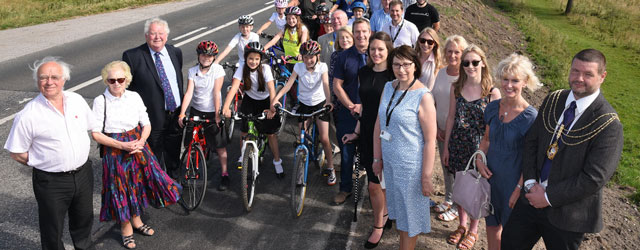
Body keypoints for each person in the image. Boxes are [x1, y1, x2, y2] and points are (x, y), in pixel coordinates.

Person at [501, 49, 623, 250]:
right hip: (531, 199)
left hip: (568, 213)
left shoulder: (608, 124)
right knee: (509, 244)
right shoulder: (554, 99)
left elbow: (594, 178)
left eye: (588, 74)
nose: (579, 79)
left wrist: (548, 197)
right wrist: (530, 183)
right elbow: (532, 142)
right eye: (575, 71)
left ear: (602, 77)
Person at [5, 57, 97, 250]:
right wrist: (43, 162)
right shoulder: (28, 114)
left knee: (83, 222)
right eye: (43, 78)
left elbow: (91, 128)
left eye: (54, 77)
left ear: (64, 79)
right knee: (52, 231)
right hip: (51, 182)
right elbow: (17, 152)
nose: (49, 82)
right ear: (37, 81)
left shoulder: (77, 100)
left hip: (83, 175)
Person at [91, 61, 182, 249]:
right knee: (119, 188)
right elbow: (96, 133)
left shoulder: (134, 96)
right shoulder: (101, 101)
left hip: (137, 143)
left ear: (127, 80)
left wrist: (141, 141)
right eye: (111, 80)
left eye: (120, 79)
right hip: (115, 148)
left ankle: (137, 221)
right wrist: (121, 145)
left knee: (139, 183)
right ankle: (126, 229)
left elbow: (146, 123)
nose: (116, 83)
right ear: (106, 81)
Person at [372, 45, 437, 250]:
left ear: (415, 66)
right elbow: (379, 123)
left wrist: (426, 177)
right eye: (397, 64)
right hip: (390, 165)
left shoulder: (423, 96)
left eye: (406, 64)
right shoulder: (389, 87)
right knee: (400, 215)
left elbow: (430, 140)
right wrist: (377, 158)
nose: (401, 69)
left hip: (410, 170)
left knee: (411, 220)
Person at [474, 53, 540, 250]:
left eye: (515, 80)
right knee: (492, 226)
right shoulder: (492, 108)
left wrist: (518, 190)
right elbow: (486, 140)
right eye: (505, 79)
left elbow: (531, 160)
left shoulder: (531, 117)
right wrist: (479, 159)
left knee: (512, 236)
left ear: (525, 82)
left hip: (513, 185)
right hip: (490, 180)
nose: (509, 85)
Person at [442, 44, 501, 250]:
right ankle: (461, 225)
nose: (470, 66)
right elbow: (450, 117)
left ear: (483, 63)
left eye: (475, 62)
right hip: (457, 143)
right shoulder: (456, 87)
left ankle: (474, 230)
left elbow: (495, 127)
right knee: (460, 186)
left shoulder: (492, 92)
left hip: (479, 149)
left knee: (476, 189)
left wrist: (487, 152)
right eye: (466, 63)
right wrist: (446, 146)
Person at [342, 32, 395, 249]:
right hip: (367, 133)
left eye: (381, 49)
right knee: (376, 182)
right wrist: (356, 131)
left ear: (388, 50)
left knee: (376, 184)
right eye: (373, 49)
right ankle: (385, 214)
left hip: (387, 135)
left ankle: (378, 225)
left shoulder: (395, 74)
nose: (376, 53)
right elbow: (363, 105)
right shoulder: (363, 72)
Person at [122, 17, 184, 176]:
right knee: (154, 158)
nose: (157, 37)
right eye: (153, 33)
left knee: (173, 154)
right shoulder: (132, 56)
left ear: (167, 36)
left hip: (175, 115)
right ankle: (156, 190)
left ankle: (173, 185)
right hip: (151, 119)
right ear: (146, 36)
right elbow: (125, 91)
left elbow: (178, 81)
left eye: (161, 33)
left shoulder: (175, 52)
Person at [271, 40, 335, 185]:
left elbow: (325, 84)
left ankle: (330, 167)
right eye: (305, 57)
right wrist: (276, 98)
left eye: (311, 57)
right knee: (301, 137)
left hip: (320, 104)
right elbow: (288, 84)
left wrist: (329, 101)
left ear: (318, 56)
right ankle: (300, 167)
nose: (308, 60)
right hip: (304, 104)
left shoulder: (322, 67)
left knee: (324, 139)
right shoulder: (299, 67)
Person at [222, 42, 285, 177]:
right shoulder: (242, 68)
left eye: (257, 59)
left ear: (260, 59)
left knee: (270, 134)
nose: (253, 62)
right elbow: (234, 88)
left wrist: (272, 108)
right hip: (249, 101)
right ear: (246, 58)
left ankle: (277, 161)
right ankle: (242, 155)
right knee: (244, 131)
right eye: (251, 58)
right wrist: (226, 106)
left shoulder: (266, 69)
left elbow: (272, 89)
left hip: (265, 101)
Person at [178, 41, 230, 191]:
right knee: (190, 143)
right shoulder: (193, 71)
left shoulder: (218, 70)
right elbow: (189, 93)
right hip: (196, 110)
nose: (206, 58)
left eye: (210, 56)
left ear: (214, 57)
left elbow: (216, 92)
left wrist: (217, 114)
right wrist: (182, 113)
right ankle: (191, 168)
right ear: (198, 56)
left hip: (212, 110)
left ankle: (225, 174)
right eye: (203, 55)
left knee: (219, 146)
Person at [331, 18, 371, 205]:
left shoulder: (377, 54)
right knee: (346, 152)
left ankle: (375, 190)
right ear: (353, 34)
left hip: (371, 112)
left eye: (364, 31)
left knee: (371, 153)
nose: (361, 35)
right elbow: (336, 86)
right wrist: (350, 105)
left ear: (370, 32)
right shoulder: (343, 57)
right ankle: (345, 188)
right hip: (349, 112)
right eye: (357, 32)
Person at [430, 35, 468, 222]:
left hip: (458, 133)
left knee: (458, 171)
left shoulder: (466, 76)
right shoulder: (440, 73)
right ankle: (448, 198)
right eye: (450, 51)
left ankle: (457, 206)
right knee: (446, 167)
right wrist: (436, 128)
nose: (453, 55)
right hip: (440, 130)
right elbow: (434, 100)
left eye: (457, 52)